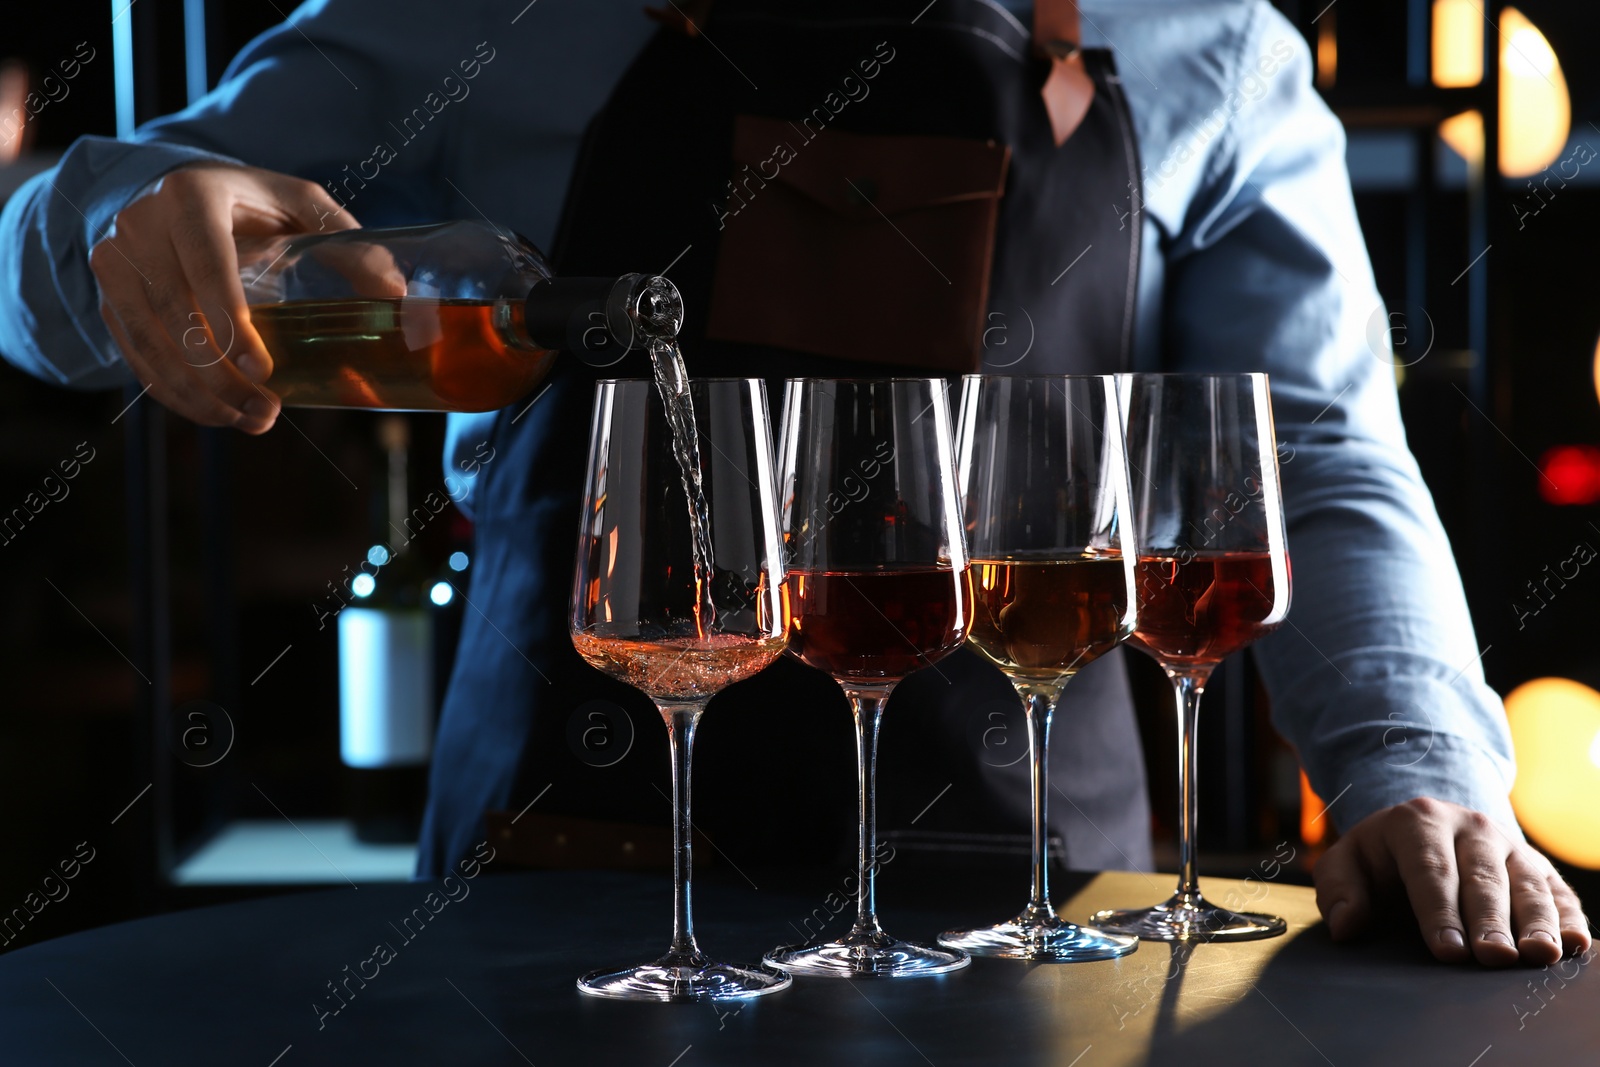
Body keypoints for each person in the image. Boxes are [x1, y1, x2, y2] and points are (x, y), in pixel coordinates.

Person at [0, 0, 1587, 969]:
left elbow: (1300, 446)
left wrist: (1411, 763)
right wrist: (108, 226)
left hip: (1054, 915)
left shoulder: (1206, 38)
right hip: (565, 901)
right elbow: (47, 264)